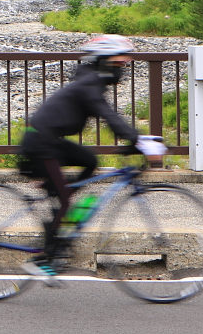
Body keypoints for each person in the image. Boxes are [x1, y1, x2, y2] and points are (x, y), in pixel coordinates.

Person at [16, 34, 167, 280]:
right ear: (102, 62)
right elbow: (108, 116)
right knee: (65, 202)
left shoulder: (90, 82)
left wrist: (136, 140)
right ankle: (42, 259)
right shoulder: (88, 85)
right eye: (118, 64)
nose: (122, 70)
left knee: (90, 161)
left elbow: (109, 116)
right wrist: (138, 140)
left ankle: (60, 203)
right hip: (39, 144)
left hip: (49, 141)